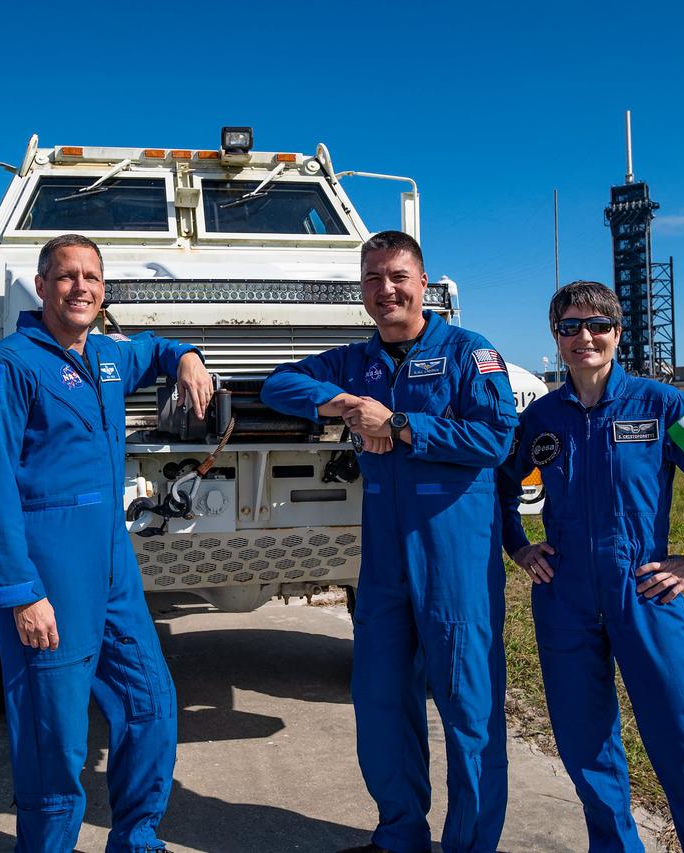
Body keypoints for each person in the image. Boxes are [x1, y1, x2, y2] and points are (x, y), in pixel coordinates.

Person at [260, 231, 517, 853]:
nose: (386, 290)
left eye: (398, 276)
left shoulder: (468, 352)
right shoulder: (356, 361)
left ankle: (469, 844)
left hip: (453, 550)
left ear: (423, 284)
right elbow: (277, 386)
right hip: (383, 559)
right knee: (379, 699)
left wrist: (399, 426)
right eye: (373, 279)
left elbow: (495, 439)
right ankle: (400, 835)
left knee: (468, 707)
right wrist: (346, 403)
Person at [498, 281, 684, 852]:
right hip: (565, 599)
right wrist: (518, 544)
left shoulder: (666, 407)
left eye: (597, 325)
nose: (584, 337)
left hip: (645, 594)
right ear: (557, 336)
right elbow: (496, 483)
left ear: (618, 333)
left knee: (683, 742)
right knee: (584, 745)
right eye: (570, 327)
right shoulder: (540, 418)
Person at [0, 233, 213, 853]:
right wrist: (23, 593)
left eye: (93, 278)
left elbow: (154, 349)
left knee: (149, 701)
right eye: (67, 276)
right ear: (41, 287)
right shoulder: (7, 369)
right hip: (49, 566)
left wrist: (187, 355)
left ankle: (137, 836)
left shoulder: (104, 356)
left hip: (110, 559)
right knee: (56, 734)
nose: (81, 288)